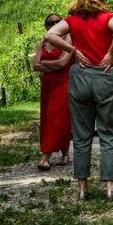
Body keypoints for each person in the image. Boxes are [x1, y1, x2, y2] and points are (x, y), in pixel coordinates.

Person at [45, 0, 113, 200]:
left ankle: (82, 188)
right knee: (109, 132)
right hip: (105, 75)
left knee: (81, 134)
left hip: (80, 76)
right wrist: (111, 53)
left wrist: (72, 49)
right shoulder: (109, 17)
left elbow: (50, 35)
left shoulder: (71, 20)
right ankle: (110, 186)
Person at [33, 14, 72, 171]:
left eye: (58, 22)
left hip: (64, 84)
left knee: (54, 115)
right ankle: (65, 152)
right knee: (49, 118)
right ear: (47, 27)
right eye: (51, 23)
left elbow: (63, 63)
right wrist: (52, 65)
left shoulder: (68, 39)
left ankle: (45, 157)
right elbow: (35, 66)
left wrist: (43, 64)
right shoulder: (43, 42)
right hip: (47, 84)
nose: (55, 24)